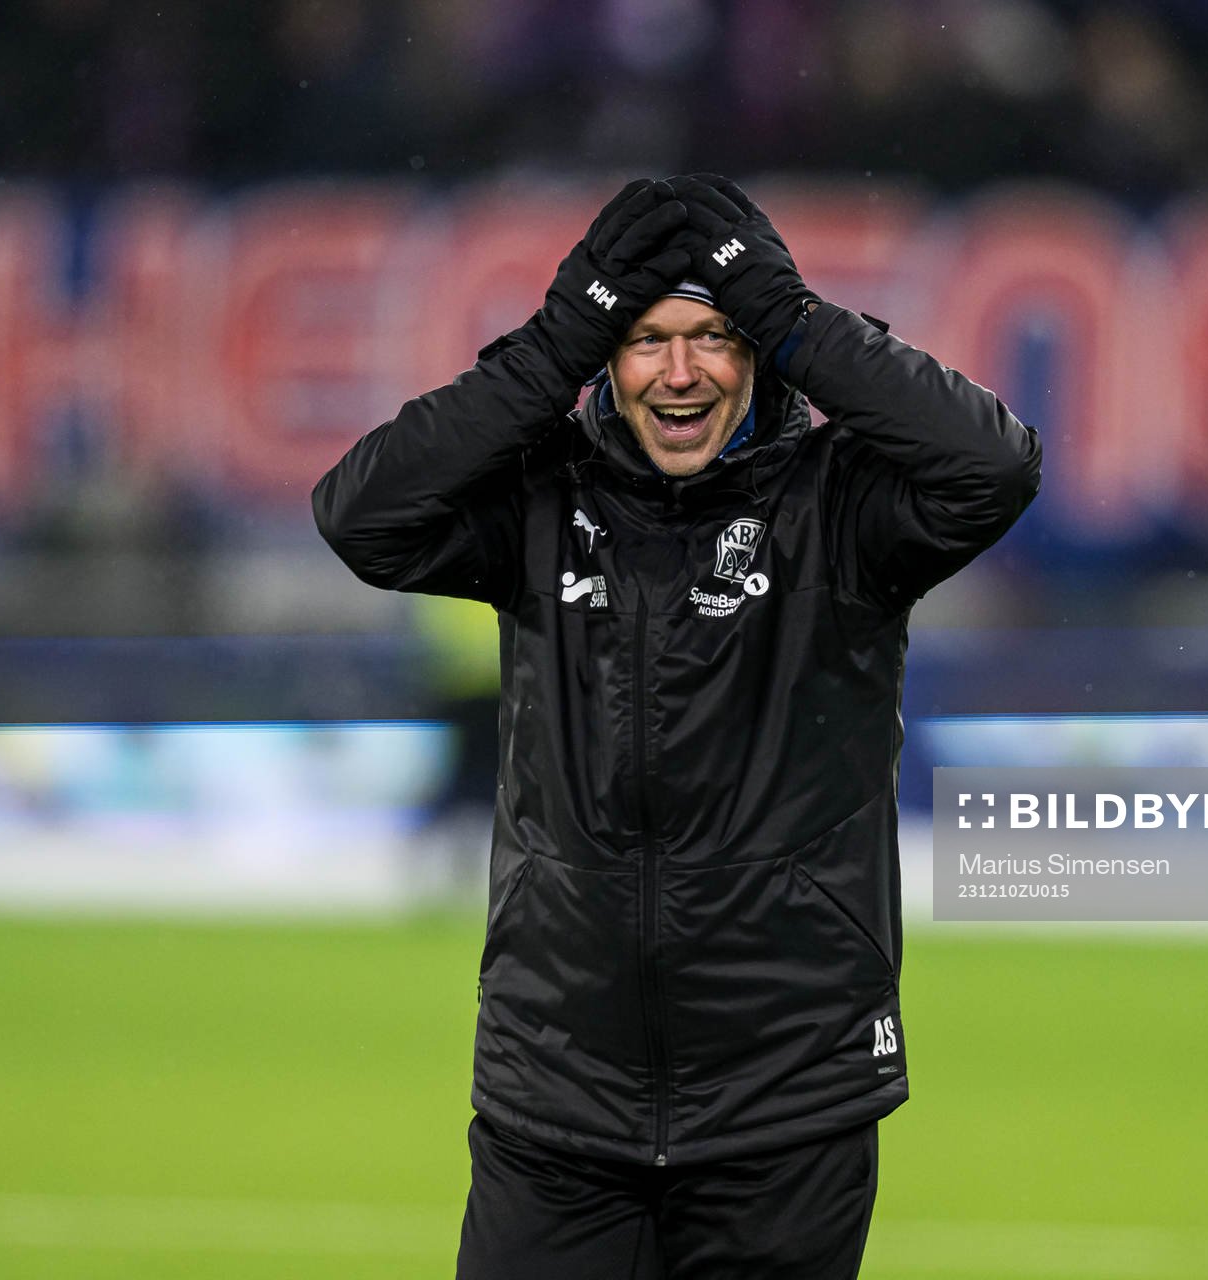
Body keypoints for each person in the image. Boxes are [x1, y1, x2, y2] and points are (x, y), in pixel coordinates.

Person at [313, 174, 1040, 1278]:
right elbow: (360, 513)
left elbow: (994, 464)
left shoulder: (842, 507)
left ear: (759, 357)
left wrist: (801, 320)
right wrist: (555, 340)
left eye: (715, 335)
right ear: (606, 358)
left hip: (785, 1100)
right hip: (556, 1099)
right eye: (646, 339)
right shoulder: (542, 499)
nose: (681, 371)